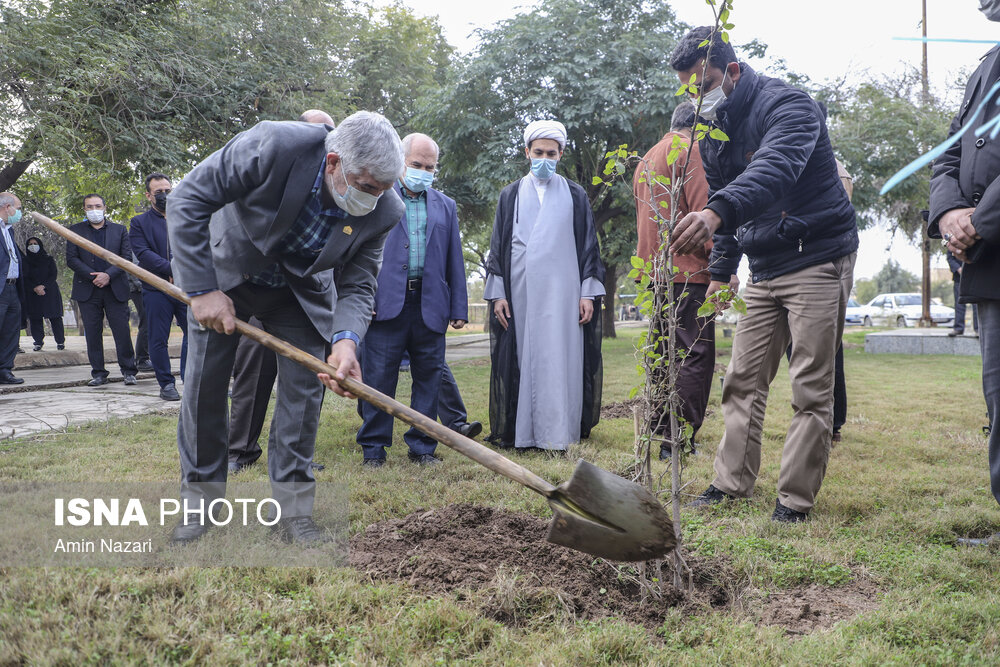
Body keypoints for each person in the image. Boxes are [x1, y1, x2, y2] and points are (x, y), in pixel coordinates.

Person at [167, 111, 404, 544]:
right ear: (334, 163)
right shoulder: (275, 145)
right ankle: (199, 506)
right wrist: (201, 290)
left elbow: (359, 282)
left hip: (299, 291)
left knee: (303, 396)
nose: (375, 199)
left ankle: (294, 512)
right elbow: (187, 199)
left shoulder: (386, 208)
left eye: (385, 189)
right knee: (204, 389)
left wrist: (346, 342)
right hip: (227, 274)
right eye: (368, 187)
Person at [669, 27, 858, 522]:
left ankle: (793, 500)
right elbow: (726, 201)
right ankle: (730, 484)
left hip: (816, 256)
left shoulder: (789, 104)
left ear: (731, 71)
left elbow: (774, 169)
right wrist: (719, 271)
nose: (698, 96)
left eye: (703, 83)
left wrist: (715, 214)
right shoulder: (714, 130)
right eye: (688, 89)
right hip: (765, 267)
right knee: (742, 380)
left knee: (811, 386)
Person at [484, 120, 605, 452]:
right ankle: (522, 433)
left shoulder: (576, 195)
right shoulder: (509, 195)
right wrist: (499, 296)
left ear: (561, 154)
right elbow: (497, 248)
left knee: (560, 358)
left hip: (564, 293)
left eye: (551, 153)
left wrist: (586, 294)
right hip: (520, 293)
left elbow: (588, 248)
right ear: (527, 152)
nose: (544, 158)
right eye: (538, 152)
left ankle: (558, 432)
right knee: (524, 356)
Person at [226, 110, 336, 474]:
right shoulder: (271, 164)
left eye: (329, 131)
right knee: (253, 376)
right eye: (314, 130)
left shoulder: (341, 186)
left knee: (305, 385)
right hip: (248, 288)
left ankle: (294, 459)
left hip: (303, 298)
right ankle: (239, 450)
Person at [929, 0, 1000, 546]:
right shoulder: (986, 65)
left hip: (990, 236)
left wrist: (980, 219)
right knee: (998, 394)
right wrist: (949, 212)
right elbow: (950, 150)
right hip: (990, 267)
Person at [356, 133, 469, 467]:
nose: (423, 171)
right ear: (401, 162)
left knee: (429, 380)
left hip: (431, 305)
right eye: (416, 164)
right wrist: (362, 299)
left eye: (430, 167)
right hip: (384, 304)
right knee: (378, 380)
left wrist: (458, 307)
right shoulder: (377, 196)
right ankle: (374, 449)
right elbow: (357, 253)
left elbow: (455, 261)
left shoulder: (446, 206)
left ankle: (422, 446)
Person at [633, 100, 717, 460]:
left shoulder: (647, 158)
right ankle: (679, 439)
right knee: (693, 354)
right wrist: (721, 268)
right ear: (700, 125)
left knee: (663, 355)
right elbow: (704, 212)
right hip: (690, 272)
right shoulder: (692, 149)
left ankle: (660, 430)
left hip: (655, 273)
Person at [66, 194, 138, 387]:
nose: (94, 210)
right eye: (89, 207)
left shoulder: (120, 230)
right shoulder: (75, 231)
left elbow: (126, 257)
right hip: (88, 290)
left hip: (115, 288)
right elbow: (71, 259)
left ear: (105, 208)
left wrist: (108, 275)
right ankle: (98, 373)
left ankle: (129, 371)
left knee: (122, 331)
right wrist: (94, 276)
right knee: (92, 333)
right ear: (84, 209)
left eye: (97, 206)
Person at [129, 173, 188, 401]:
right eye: (159, 192)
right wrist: (171, 270)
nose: (164, 195)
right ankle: (166, 384)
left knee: (193, 335)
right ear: (148, 195)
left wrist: (182, 272)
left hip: (185, 289)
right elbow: (143, 253)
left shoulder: (184, 217)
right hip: (156, 289)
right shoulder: (139, 222)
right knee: (157, 339)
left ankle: (190, 380)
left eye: (168, 191)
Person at [22, 237, 65, 352]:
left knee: (55, 317)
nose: (33, 246)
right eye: (30, 244)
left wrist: (43, 286)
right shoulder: (25, 261)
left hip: (49, 291)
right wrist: (35, 288)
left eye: (35, 243)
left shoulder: (48, 259)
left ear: (40, 244)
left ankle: (60, 341)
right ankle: (38, 342)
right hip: (33, 293)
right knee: (35, 319)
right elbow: (24, 277)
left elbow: (53, 275)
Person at [0, 192, 26, 384]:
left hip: (12, 288)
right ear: (7, 207)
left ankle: (5, 370)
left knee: (11, 331)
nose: (19, 212)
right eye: (17, 208)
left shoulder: (9, 230)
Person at [946, 250, 978, 337]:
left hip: (974, 277)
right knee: (959, 304)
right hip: (958, 278)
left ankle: (978, 329)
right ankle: (958, 328)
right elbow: (950, 258)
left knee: (976, 304)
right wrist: (959, 269)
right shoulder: (953, 238)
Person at [127, 271, 152, 372]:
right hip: (138, 287)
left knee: (148, 321)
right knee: (146, 321)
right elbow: (132, 266)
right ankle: (142, 359)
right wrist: (141, 284)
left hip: (145, 285)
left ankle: (144, 357)